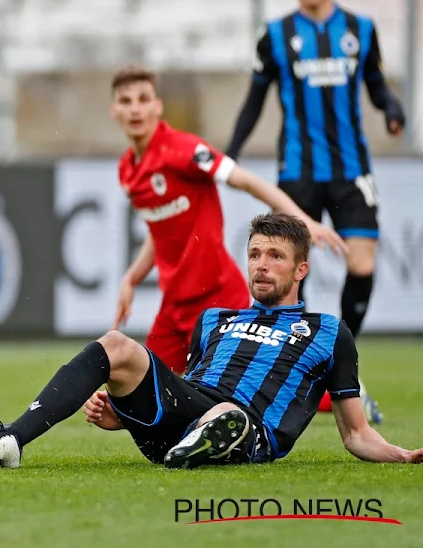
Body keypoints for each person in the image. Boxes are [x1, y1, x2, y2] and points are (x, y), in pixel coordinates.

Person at [0, 213, 423, 470]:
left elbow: (356, 433)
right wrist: (126, 418)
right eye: (255, 255)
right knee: (116, 345)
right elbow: (186, 386)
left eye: (275, 257)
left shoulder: (328, 331)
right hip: (192, 409)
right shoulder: (214, 319)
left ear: (300, 270)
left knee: (229, 415)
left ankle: (205, 442)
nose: (261, 265)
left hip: (251, 429)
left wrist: (402, 455)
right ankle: (11, 439)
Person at [226, 0, 403, 419]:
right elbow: (254, 100)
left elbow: (377, 85)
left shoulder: (359, 31)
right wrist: (232, 153)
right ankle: (276, 361)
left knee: (361, 264)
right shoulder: (277, 35)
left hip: (351, 171)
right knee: (281, 268)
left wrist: (392, 109)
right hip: (297, 173)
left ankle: (341, 360)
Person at [109, 65, 344, 375]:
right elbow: (160, 230)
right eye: (126, 101)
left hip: (217, 296)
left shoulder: (184, 150)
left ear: (158, 106)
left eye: (143, 99)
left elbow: (247, 181)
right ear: (114, 110)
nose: (135, 108)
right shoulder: (128, 170)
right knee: (144, 386)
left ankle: (338, 392)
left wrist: (303, 220)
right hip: (173, 303)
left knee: (248, 382)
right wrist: (131, 279)